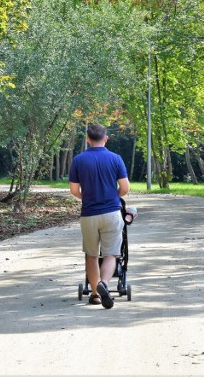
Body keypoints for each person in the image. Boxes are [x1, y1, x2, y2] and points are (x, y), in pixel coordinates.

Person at [69, 124, 130, 309]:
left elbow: (74, 190)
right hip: (111, 212)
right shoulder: (115, 159)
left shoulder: (79, 160)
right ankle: (104, 283)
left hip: (89, 214)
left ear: (88, 139)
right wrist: (112, 196)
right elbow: (125, 188)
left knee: (92, 255)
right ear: (106, 138)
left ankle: (95, 294)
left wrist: (87, 197)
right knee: (111, 254)